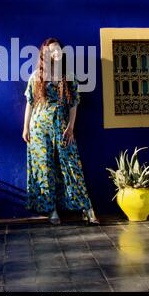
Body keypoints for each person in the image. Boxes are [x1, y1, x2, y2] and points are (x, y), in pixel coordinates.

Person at [22, 37, 99, 225]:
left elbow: (74, 104)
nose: (55, 52)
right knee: (44, 167)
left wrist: (71, 127)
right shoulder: (36, 76)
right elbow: (30, 103)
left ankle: (87, 209)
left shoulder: (68, 75)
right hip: (38, 128)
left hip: (62, 127)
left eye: (58, 49)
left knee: (71, 165)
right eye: (51, 50)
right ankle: (52, 210)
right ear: (44, 53)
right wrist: (25, 127)